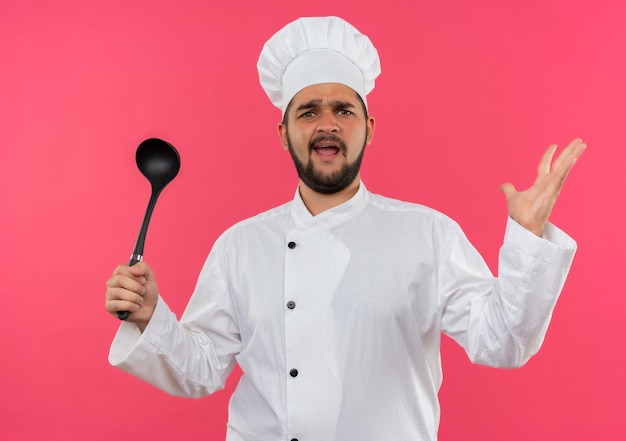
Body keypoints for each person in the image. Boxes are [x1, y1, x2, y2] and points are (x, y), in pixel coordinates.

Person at [105, 16, 586, 441]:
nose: (327, 124)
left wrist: (527, 238)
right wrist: (152, 317)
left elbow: (503, 341)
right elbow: (203, 369)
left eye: (344, 109)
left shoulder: (428, 235)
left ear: (369, 127)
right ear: (283, 133)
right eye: (308, 111)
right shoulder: (240, 246)